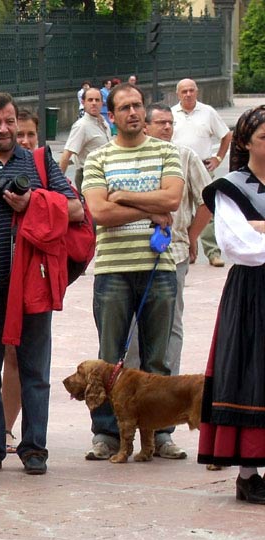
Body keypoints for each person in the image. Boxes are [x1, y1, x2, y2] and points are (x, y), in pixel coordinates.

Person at [0, 91, 83, 476]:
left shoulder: (40, 165)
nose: (5, 128)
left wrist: (34, 202)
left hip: (33, 286)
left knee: (35, 372)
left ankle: (34, 449)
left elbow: (76, 209)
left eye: (9, 120)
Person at [81, 83, 184, 461]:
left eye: (138, 106)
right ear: (111, 116)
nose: (134, 113)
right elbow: (99, 214)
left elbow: (172, 198)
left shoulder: (165, 151)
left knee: (158, 360)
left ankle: (160, 435)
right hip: (112, 271)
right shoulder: (98, 159)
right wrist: (148, 209)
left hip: (159, 269)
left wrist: (122, 196)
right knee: (109, 360)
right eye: (124, 108)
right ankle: (107, 435)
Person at [197, 105, 265, 502]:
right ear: (243, 142)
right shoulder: (232, 187)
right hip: (252, 293)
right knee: (249, 369)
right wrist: (253, 231)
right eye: (263, 138)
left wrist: (260, 227)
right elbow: (238, 245)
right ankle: (248, 472)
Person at [126, 104, 212, 382]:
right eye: (160, 123)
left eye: (170, 123)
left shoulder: (185, 157)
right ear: (146, 127)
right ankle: (133, 385)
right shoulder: (133, 157)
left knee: (171, 323)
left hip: (173, 252)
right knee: (133, 324)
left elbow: (208, 199)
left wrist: (192, 234)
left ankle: (166, 385)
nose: (166, 127)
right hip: (134, 252)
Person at [172, 78, 232, 268]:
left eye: (191, 90)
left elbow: (226, 135)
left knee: (207, 208)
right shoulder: (171, 114)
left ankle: (212, 252)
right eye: (184, 91)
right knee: (181, 211)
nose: (188, 94)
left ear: (197, 91)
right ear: (178, 94)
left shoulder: (208, 112)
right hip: (178, 167)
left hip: (203, 168)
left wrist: (218, 158)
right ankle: (187, 251)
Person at [60, 87, 112, 191]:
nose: (94, 103)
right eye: (90, 100)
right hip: (87, 176)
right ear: (83, 103)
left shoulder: (104, 122)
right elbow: (66, 154)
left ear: (102, 103)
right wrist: (57, 182)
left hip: (104, 175)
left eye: (97, 100)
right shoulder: (81, 126)